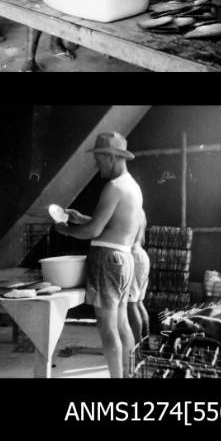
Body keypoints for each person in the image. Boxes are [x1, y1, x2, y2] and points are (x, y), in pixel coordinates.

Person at [54, 132, 143, 378]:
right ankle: (129, 375)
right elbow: (112, 225)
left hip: (107, 260)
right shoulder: (132, 186)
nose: (97, 164)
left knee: (106, 327)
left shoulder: (113, 187)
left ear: (111, 157)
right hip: (124, 259)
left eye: (99, 158)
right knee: (122, 324)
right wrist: (81, 218)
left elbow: (94, 231)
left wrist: (67, 230)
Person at [127, 211, 150, 346]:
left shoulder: (131, 211)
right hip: (142, 256)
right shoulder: (141, 213)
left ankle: (138, 347)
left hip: (133, 257)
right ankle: (145, 344)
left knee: (131, 304)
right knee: (139, 302)